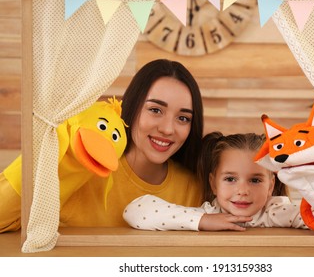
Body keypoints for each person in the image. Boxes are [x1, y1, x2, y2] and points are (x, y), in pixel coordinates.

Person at [0, 59, 204, 232]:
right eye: (155, 110)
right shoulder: (81, 166)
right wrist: (61, 148)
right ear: (131, 108)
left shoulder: (194, 188)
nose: (168, 129)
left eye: (183, 118)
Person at [123, 132, 307, 231]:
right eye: (230, 179)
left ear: (271, 186)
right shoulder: (206, 215)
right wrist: (203, 220)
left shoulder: (277, 214)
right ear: (213, 183)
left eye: (255, 180)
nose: (242, 190)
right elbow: (135, 211)